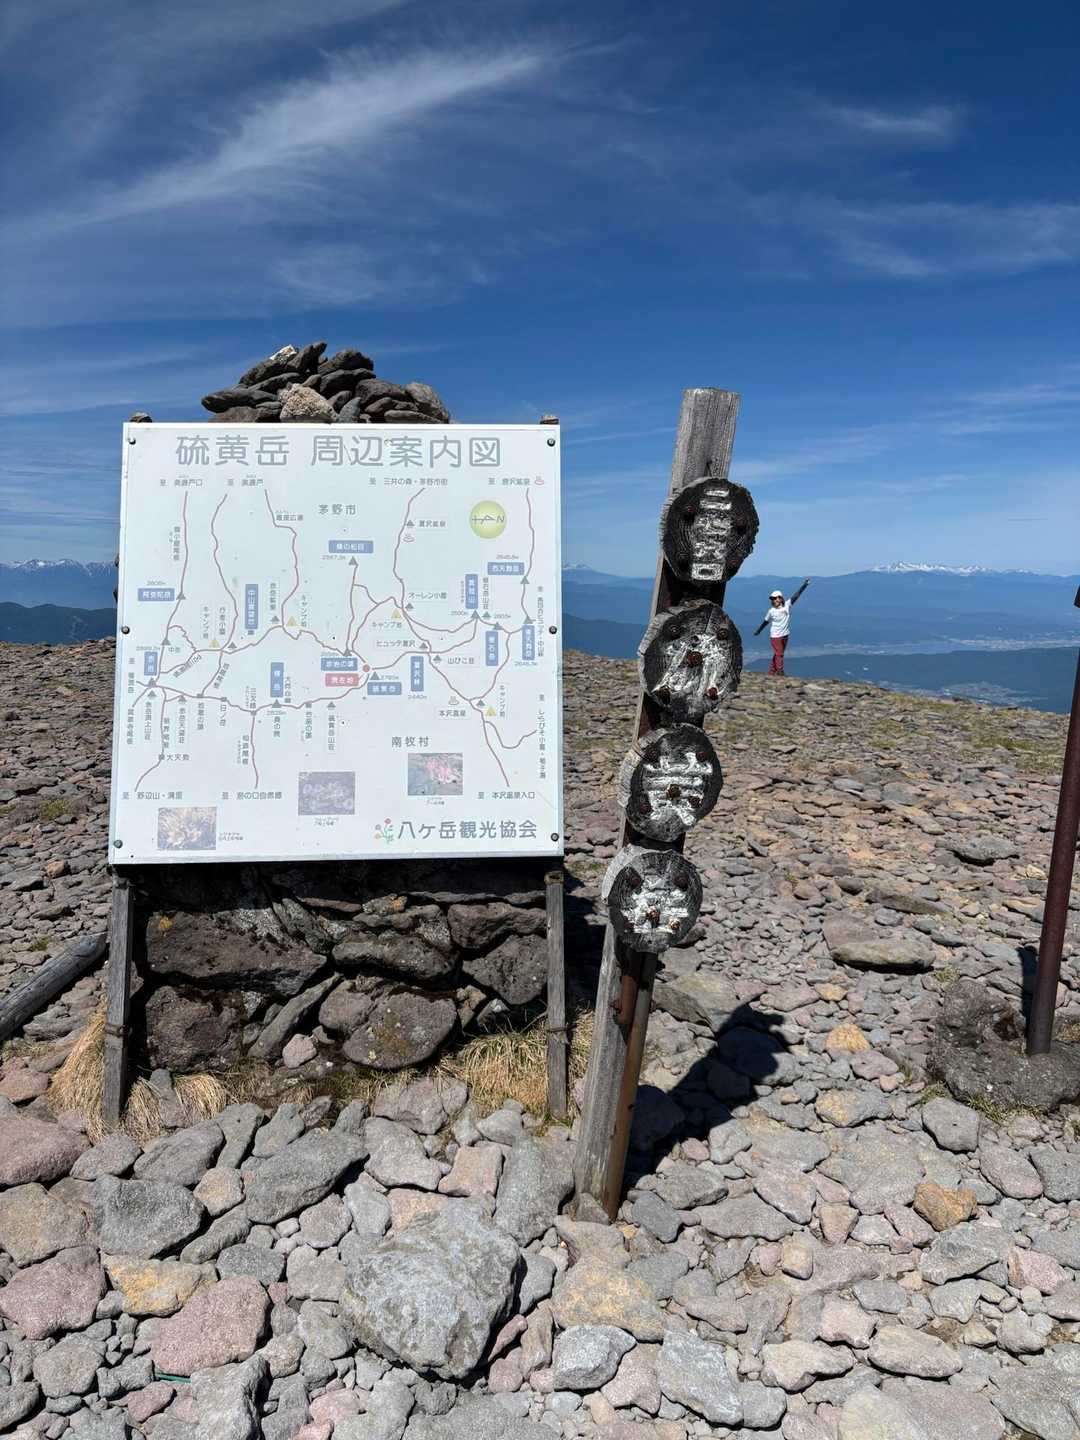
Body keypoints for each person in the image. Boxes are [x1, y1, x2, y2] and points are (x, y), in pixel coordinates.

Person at [754, 579, 810, 676]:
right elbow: (765, 622)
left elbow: (796, 596)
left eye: (775, 598)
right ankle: (780, 672)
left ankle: (771, 672)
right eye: (772, 599)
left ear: (780, 598)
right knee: (779, 654)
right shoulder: (771, 611)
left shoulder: (787, 605)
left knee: (778, 654)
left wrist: (804, 585)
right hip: (775, 636)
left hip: (785, 635)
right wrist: (759, 631)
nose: (773, 600)